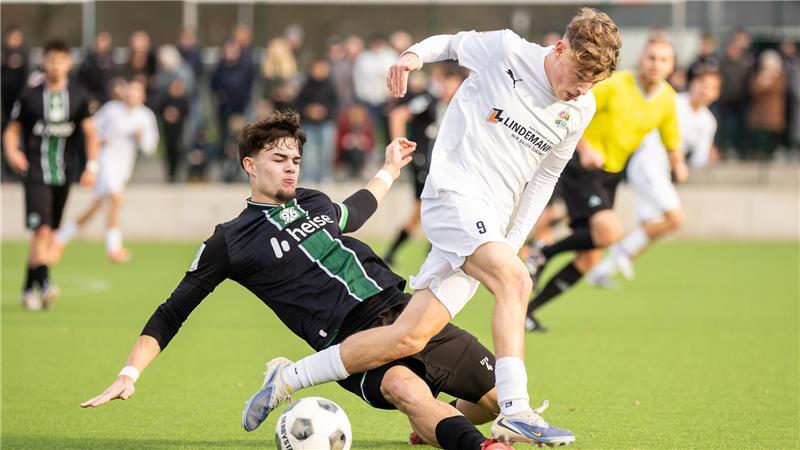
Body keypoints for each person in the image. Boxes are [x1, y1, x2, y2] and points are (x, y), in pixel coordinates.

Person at [259, 8, 621, 446]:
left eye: (593, 81)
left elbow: (545, 178)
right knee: (516, 281)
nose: (582, 88)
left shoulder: (581, 106)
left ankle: (288, 377)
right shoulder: (507, 49)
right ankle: (515, 410)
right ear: (560, 48)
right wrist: (412, 56)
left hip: (492, 222)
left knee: (408, 336)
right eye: (580, 74)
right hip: (454, 195)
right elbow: (449, 43)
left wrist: (512, 241)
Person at [79, 112, 513, 450]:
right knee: (406, 388)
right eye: (279, 160)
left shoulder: (312, 201)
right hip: (351, 342)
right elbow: (172, 311)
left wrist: (389, 168)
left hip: (407, 311)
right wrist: (129, 372)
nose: (291, 169)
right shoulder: (229, 241)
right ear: (250, 164)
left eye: (295, 161)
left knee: (493, 401)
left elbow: (356, 210)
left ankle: (430, 428)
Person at [525, 33, 686, 332]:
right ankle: (541, 254)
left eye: (663, 60)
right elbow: (572, 110)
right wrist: (585, 148)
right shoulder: (617, 85)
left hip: (611, 175)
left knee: (590, 256)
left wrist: (679, 163)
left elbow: (671, 137)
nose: (656, 64)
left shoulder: (667, 99)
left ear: (672, 66)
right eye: (651, 57)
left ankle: (528, 311)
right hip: (581, 166)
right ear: (642, 59)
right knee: (610, 232)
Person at [586, 67, 721, 287]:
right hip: (647, 165)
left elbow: (698, 159)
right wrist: (676, 160)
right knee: (675, 218)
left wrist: (702, 158)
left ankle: (601, 272)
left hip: (663, 173)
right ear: (692, 85)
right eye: (702, 84)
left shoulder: (708, 122)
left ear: (717, 94)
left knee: (652, 227)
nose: (705, 90)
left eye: (712, 88)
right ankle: (621, 250)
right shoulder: (672, 101)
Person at [2, 39, 99, 310]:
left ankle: (26, 289)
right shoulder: (30, 96)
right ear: (43, 62)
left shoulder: (79, 96)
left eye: (60, 60)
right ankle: (44, 284)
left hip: (64, 173)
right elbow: (12, 130)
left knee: (46, 234)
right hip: (35, 171)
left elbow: (91, 134)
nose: (55, 66)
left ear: (68, 63)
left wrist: (92, 166)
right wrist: (12, 153)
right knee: (42, 230)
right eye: (51, 60)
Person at [52, 79, 158, 263]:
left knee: (95, 208)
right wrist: (101, 139)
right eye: (130, 92)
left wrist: (140, 138)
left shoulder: (146, 116)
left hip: (124, 166)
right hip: (105, 162)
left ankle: (59, 239)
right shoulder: (111, 110)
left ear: (143, 96)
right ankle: (113, 248)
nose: (132, 96)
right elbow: (91, 128)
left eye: (136, 93)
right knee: (116, 199)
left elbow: (150, 147)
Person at [383, 62, 465, 266]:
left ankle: (413, 252)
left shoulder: (461, 107)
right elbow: (398, 115)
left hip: (444, 167)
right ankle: (426, 251)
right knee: (426, 207)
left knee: (431, 208)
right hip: (423, 163)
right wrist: (398, 145)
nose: (449, 87)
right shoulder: (428, 101)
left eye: (454, 83)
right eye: (447, 82)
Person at [294, 59, 338, 184]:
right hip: (309, 124)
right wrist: (308, 111)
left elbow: (336, 105)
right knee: (309, 152)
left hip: (327, 123)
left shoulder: (331, 86)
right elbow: (299, 104)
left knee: (327, 151)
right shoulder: (306, 86)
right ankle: (309, 176)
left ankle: (326, 175)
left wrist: (325, 111)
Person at [747, 49, 788, 160]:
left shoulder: (781, 76)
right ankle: (757, 152)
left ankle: (774, 152)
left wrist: (765, 83)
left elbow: (777, 89)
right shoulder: (757, 75)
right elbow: (753, 89)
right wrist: (763, 82)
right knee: (758, 134)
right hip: (759, 112)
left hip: (774, 112)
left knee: (774, 134)